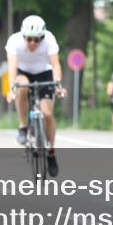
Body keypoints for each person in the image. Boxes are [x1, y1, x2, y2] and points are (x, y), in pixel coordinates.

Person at [7, 14, 66, 177]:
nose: (33, 43)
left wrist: (58, 84)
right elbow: (12, 67)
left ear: (43, 36)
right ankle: (23, 126)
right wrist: (12, 89)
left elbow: (55, 64)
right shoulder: (14, 41)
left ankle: (51, 153)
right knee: (22, 86)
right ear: (23, 36)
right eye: (29, 39)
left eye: (37, 39)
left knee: (47, 113)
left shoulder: (50, 39)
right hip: (23, 72)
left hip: (44, 72)